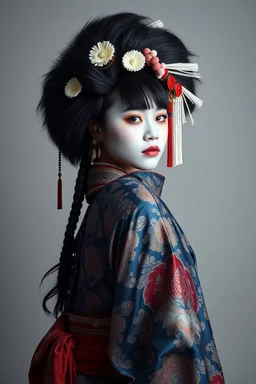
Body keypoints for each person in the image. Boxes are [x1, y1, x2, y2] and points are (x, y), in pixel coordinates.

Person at [28, 12, 225, 384]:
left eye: (163, 117)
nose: (153, 133)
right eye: (134, 118)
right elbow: (174, 336)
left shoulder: (108, 199)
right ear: (96, 128)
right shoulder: (140, 208)